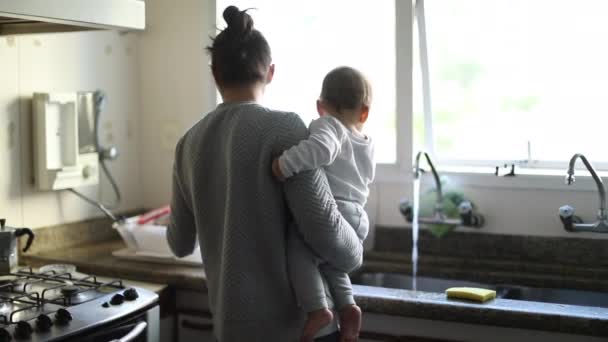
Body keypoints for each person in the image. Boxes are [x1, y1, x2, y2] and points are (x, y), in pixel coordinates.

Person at [166, 6, 363, 342]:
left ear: (215, 72)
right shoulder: (285, 129)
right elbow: (326, 233)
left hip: (233, 331)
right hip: (300, 331)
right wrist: (355, 248)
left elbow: (180, 243)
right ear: (270, 72)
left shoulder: (188, 143)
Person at [272, 66, 375, 342]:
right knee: (331, 264)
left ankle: (318, 309)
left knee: (298, 248)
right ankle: (348, 306)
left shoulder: (329, 125)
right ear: (364, 112)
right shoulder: (366, 142)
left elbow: (320, 150)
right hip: (357, 217)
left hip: (334, 212)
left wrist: (284, 165)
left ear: (320, 107)